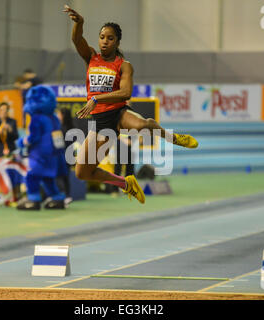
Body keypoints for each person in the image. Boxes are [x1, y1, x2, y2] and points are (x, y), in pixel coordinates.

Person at [63, 5, 198, 204]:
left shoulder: (124, 65)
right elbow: (76, 40)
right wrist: (79, 23)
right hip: (100, 124)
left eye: (110, 38)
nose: (105, 41)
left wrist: (96, 98)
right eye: (102, 37)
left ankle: (173, 137)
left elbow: (126, 93)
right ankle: (126, 184)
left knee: (143, 125)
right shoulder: (91, 57)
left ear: (117, 41)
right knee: (82, 173)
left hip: (118, 113)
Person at [16, 85, 66, 211]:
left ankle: (33, 199)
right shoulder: (54, 118)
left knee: (31, 176)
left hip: (40, 154)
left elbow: (34, 137)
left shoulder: (37, 119)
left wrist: (21, 142)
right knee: (47, 178)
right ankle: (57, 198)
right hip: (53, 154)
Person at [56, 107, 75, 204]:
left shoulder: (62, 128)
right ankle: (67, 195)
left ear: (63, 116)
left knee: (61, 177)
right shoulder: (69, 127)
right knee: (65, 177)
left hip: (63, 155)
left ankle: (64, 195)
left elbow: (59, 143)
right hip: (68, 155)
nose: (57, 116)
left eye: (59, 114)